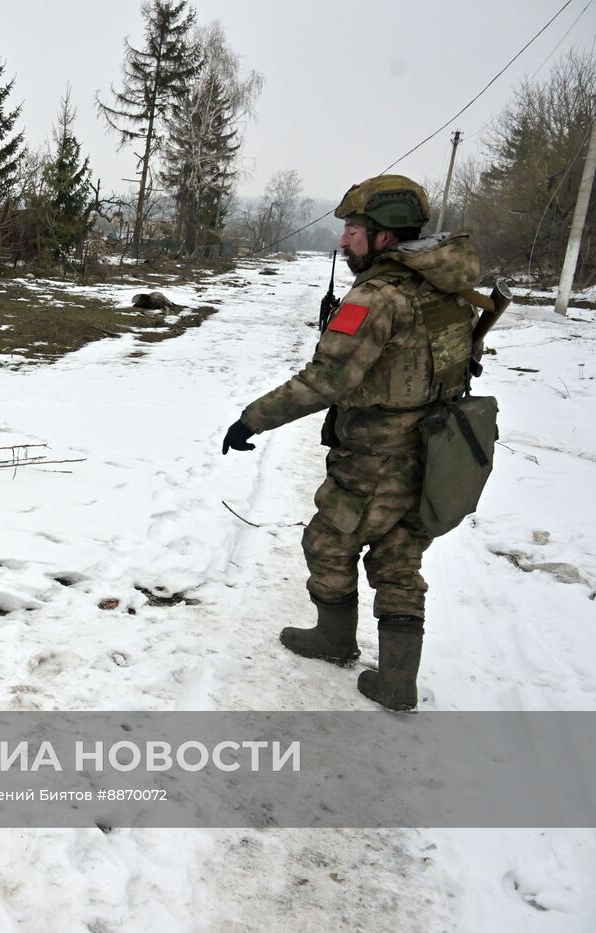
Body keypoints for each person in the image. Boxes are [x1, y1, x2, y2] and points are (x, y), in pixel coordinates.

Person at [221, 174, 482, 710]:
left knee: (326, 541)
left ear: (384, 235)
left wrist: (252, 420)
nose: (344, 240)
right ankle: (395, 680)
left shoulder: (377, 297)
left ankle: (334, 640)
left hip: (376, 453)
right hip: (435, 447)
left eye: (354, 229)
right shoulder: (448, 287)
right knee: (399, 556)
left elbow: (327, 380)